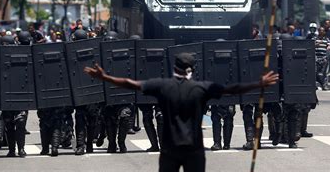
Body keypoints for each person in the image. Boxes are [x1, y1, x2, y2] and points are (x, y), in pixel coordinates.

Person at [84, 53, 278, 172]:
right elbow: (232, 89)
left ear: (174, 68)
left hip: (169, 149)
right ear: (192, 70)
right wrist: (258, 84)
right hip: (194, 150)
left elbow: (130, 84)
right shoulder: (202, 88)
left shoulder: (162, 86)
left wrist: (105, 77)